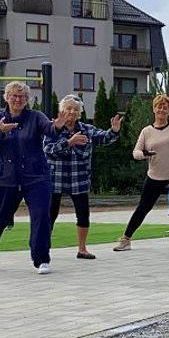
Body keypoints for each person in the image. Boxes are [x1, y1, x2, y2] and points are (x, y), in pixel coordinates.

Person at [0, 81, 65, 275]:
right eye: (14, 96)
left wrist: (58, 126)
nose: (18, 99)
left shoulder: (36, 117)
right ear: (7, 97)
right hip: (5, 178)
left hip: (36, 178)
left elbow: (50, 130)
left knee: (40, 218)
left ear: (27, 100)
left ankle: (42, 260)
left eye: (22, 96)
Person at [44, 95, 122, 259]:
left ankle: (82, 249)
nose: (72, 112)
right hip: (54, 179)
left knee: (83, 214)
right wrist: (69, 142)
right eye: (69, 108)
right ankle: (43, 248)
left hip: (79, 179)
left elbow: (103, 138)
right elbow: (48, 149)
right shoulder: (52, 128)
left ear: (80, 113)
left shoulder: (87, 129)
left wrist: (114, 130)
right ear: (61, 111)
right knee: (50, 214)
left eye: (76, 109)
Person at [114, 94, 169, 252]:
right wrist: (143, 154)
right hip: (156, 175)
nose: (161, 109)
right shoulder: (147, 131)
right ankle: (126, 239)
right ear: (153, 109)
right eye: (159, 106)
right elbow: (136, 152)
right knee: (143, 207)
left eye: (165, 107)